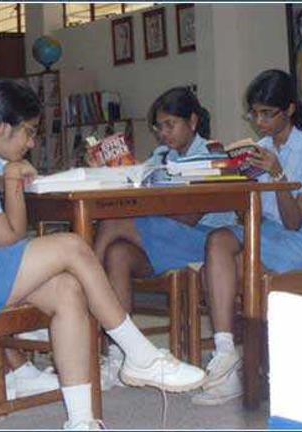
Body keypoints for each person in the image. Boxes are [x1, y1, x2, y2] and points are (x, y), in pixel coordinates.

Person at [0, 79, 205, 430]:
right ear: (1, 127)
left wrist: (11, 172)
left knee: (68, 290)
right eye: (28, 133)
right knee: (72, 245)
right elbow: (9, 239)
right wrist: (13, 182)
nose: (31, 143)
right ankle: (139, 354)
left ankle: (81, 421)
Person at [192, 69, 302, 406]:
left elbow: (295, 220)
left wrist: (277, 173)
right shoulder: (261, 148)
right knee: (218, 241)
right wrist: (230, 177)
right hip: (265, 231)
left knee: (214, 275)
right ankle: (227, 353)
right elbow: (248, 211)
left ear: (289, 110)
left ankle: (233, 370)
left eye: (266, 113)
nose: (259, 121)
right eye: (254, 113)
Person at [93, 87, 236, 390]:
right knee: (117, 252)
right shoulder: (161, 156)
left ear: (193, 121)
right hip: (163, 239)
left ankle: (84, 289)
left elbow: (190, 217)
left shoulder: (212, 155)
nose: (163, 133)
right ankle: (121, 355)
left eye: (171, 124)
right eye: (159, 126)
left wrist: (145, 208)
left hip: (203, 243)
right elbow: (137, 190)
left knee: (115, 221)